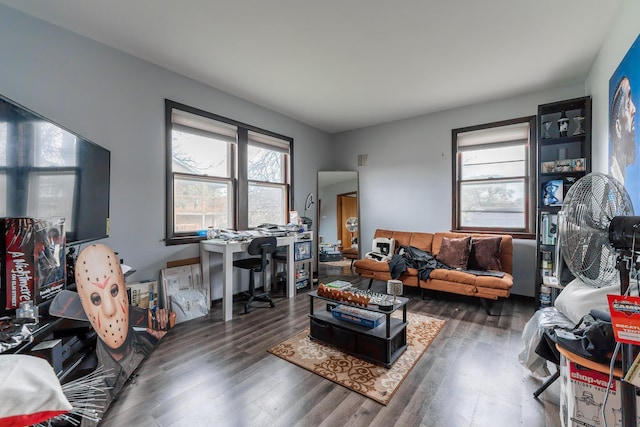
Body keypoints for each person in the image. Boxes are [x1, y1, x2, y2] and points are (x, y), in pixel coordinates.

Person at [73, 243, 170, 425]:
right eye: (96, 299)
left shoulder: (146, 344)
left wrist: (162, 343)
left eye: (114, 291)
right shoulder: (99, 397)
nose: (109, 309)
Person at [609, 76, 637, 184]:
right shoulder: (615, 177)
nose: (634, 109)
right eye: (628, 104)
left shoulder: (619, 178)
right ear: (618, 127)